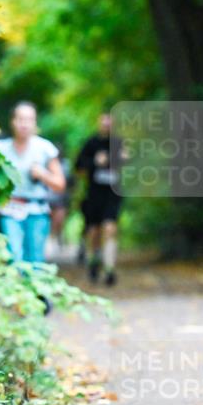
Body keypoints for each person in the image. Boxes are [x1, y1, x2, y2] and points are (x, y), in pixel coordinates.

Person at [0, 101, 66, 266]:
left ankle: (35, 290)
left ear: (35, 123)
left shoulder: (45, 148)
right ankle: (15, 290)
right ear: (13, 121)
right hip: (9, 209)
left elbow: (60, 184)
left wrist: (43, 174)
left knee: (35, 259)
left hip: (37, 210)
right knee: (13, 255)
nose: (24, 124)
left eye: (29, 119)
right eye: (20, 119)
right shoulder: (0, 149)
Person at [75, 112, 125, 286]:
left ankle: (110, 268)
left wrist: (119, 159)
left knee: (110, 228)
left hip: (113, 194)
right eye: (104, 123)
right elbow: (79, 167)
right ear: (99, 124)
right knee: (94, 232)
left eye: (109, 123)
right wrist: (95, 162)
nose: (106, 126)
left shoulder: (119, 143)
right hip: (94, 195)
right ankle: (94, 261)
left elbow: (130, 160)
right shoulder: (91, 143)